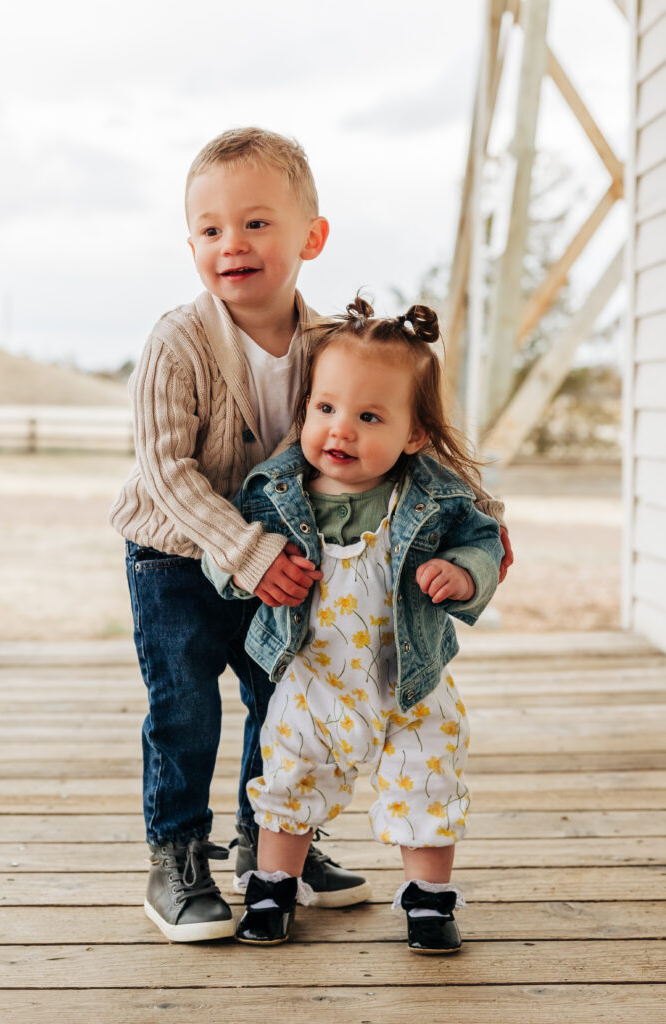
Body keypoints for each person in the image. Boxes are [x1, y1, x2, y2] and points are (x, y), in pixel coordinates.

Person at [109, 126, 510, 943]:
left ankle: (272, 848)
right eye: (212, 229)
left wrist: (477, 530)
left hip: (290, 559)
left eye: (257, 223)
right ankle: (177, 852)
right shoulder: (175, 341)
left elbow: (401, 436)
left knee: (282, 698)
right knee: (184, 708)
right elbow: (164, 470)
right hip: (178, 556)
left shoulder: (333, 344)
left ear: (310, 238)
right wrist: (246, 553)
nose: (233, 244)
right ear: (191, 244)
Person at [203, 298, 504, 954]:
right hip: (312, 681)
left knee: (428, 779)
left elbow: (485, 540)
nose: (340, 430)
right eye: (325, 408)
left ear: (414, 434)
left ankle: (427, 903)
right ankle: (272, 887)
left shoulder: (432, 497)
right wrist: (250, 569)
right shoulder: (275, 494)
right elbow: (219, 555)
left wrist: (463, 572)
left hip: (412, 686)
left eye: (369, 417)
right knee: (288, 781)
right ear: (306, 407)